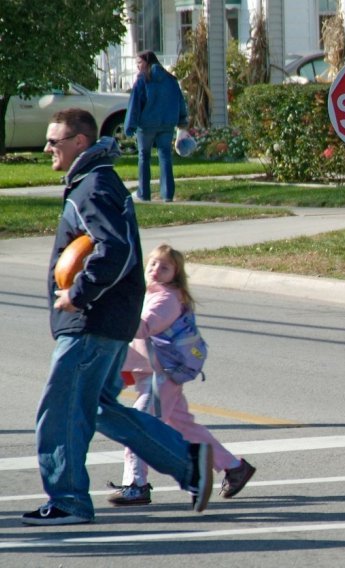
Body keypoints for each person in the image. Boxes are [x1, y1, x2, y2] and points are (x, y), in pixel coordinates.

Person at [24, 108, 213, 526]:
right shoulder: (97, 181)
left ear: (79, 143)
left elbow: (117, 250)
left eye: (54, 142)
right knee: (100, 408)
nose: (46, 148)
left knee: (60, 410)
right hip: (108, 322)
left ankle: (69, 500)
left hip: (92, 322)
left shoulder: (91, 187)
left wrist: (78, 293)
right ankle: (189, 462)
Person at [108, 244, 256, 506]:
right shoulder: (154, 293)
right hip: (160, 374)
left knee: (138, 428)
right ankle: (234, 467)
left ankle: (136, 485)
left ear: (175, 273)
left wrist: (115, 308)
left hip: (161, 376)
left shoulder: (166, 299)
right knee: (186, 429)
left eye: (164, 267)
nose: (156, 269)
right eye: (153, 264)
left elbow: (143, 328)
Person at [124, 50, 189, 202]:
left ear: (147, 61)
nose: (138, 66)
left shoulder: (143, 80)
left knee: (143, 157)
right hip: (167, 124)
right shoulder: (170, 79)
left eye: (139, 63)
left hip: (146, 125)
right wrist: (182, 121)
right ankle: (167, 194)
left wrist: (129, 126)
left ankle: (143, 193)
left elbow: (134, 104)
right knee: (165, 156)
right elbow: (180, 101)